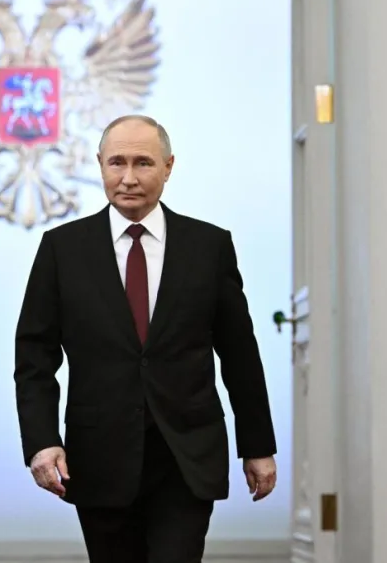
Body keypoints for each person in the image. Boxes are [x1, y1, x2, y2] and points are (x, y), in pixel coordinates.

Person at [14, 115, 278, 563]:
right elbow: (34, 356)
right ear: (99, 165)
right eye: (117, 163)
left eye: (144, 163)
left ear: (169, 166)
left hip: (186, 454)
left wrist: (257, 446)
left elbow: (239, 353)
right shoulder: (62, 249)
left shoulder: (208, 247)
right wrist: (41, 440)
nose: (129, 178)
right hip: (98, 456)